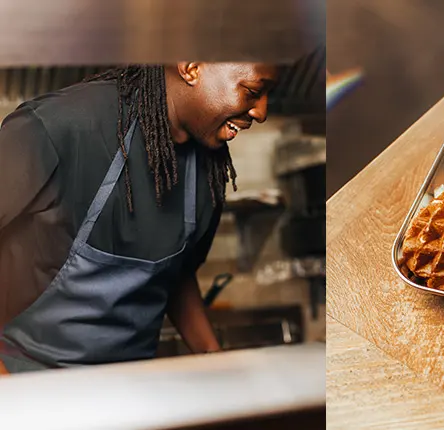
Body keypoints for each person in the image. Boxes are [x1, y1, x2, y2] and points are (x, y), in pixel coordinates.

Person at [0, 63, 277, 373]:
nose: (262, 112)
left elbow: (176, 276)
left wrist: (216, 360)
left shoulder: (207, 168)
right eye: (253, 91)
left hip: (130, 389)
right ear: (192, 67)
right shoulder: (59, 127)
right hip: (26, 384)